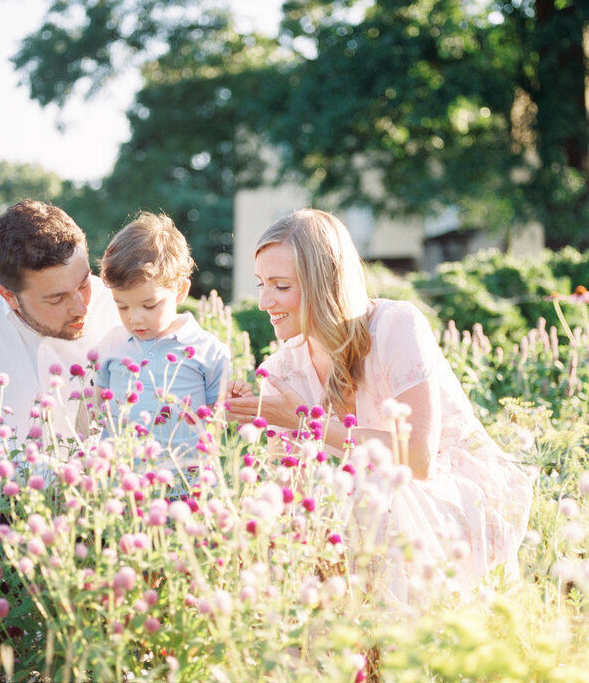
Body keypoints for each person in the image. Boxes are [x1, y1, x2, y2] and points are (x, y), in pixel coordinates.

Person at [226, 208, 533, 598]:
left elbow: (418, 459)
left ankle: (390, 648)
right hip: (359, 507)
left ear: (323, 283)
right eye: (261, 285)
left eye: (280, 286)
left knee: (372, 496)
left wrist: (307, 424)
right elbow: (290, 488)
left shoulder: (395, 326)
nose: (264, 301)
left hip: (444, 493)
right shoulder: (282, 371)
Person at [0, 199, 122, 537]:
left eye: (84, 283)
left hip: (98, 488)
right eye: (56, 299)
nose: (80, 307)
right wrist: (58, 479)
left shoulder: (116, 302)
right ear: (9, 296)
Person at [94, 212, 232, 465]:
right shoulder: (111, 344)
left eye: (149, 305)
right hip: (121, 484)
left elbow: (216, 423)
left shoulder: (209, 351)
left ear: (180, 290)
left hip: (184, 484)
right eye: (122, 307)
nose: (135, 319)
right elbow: (96, 409)